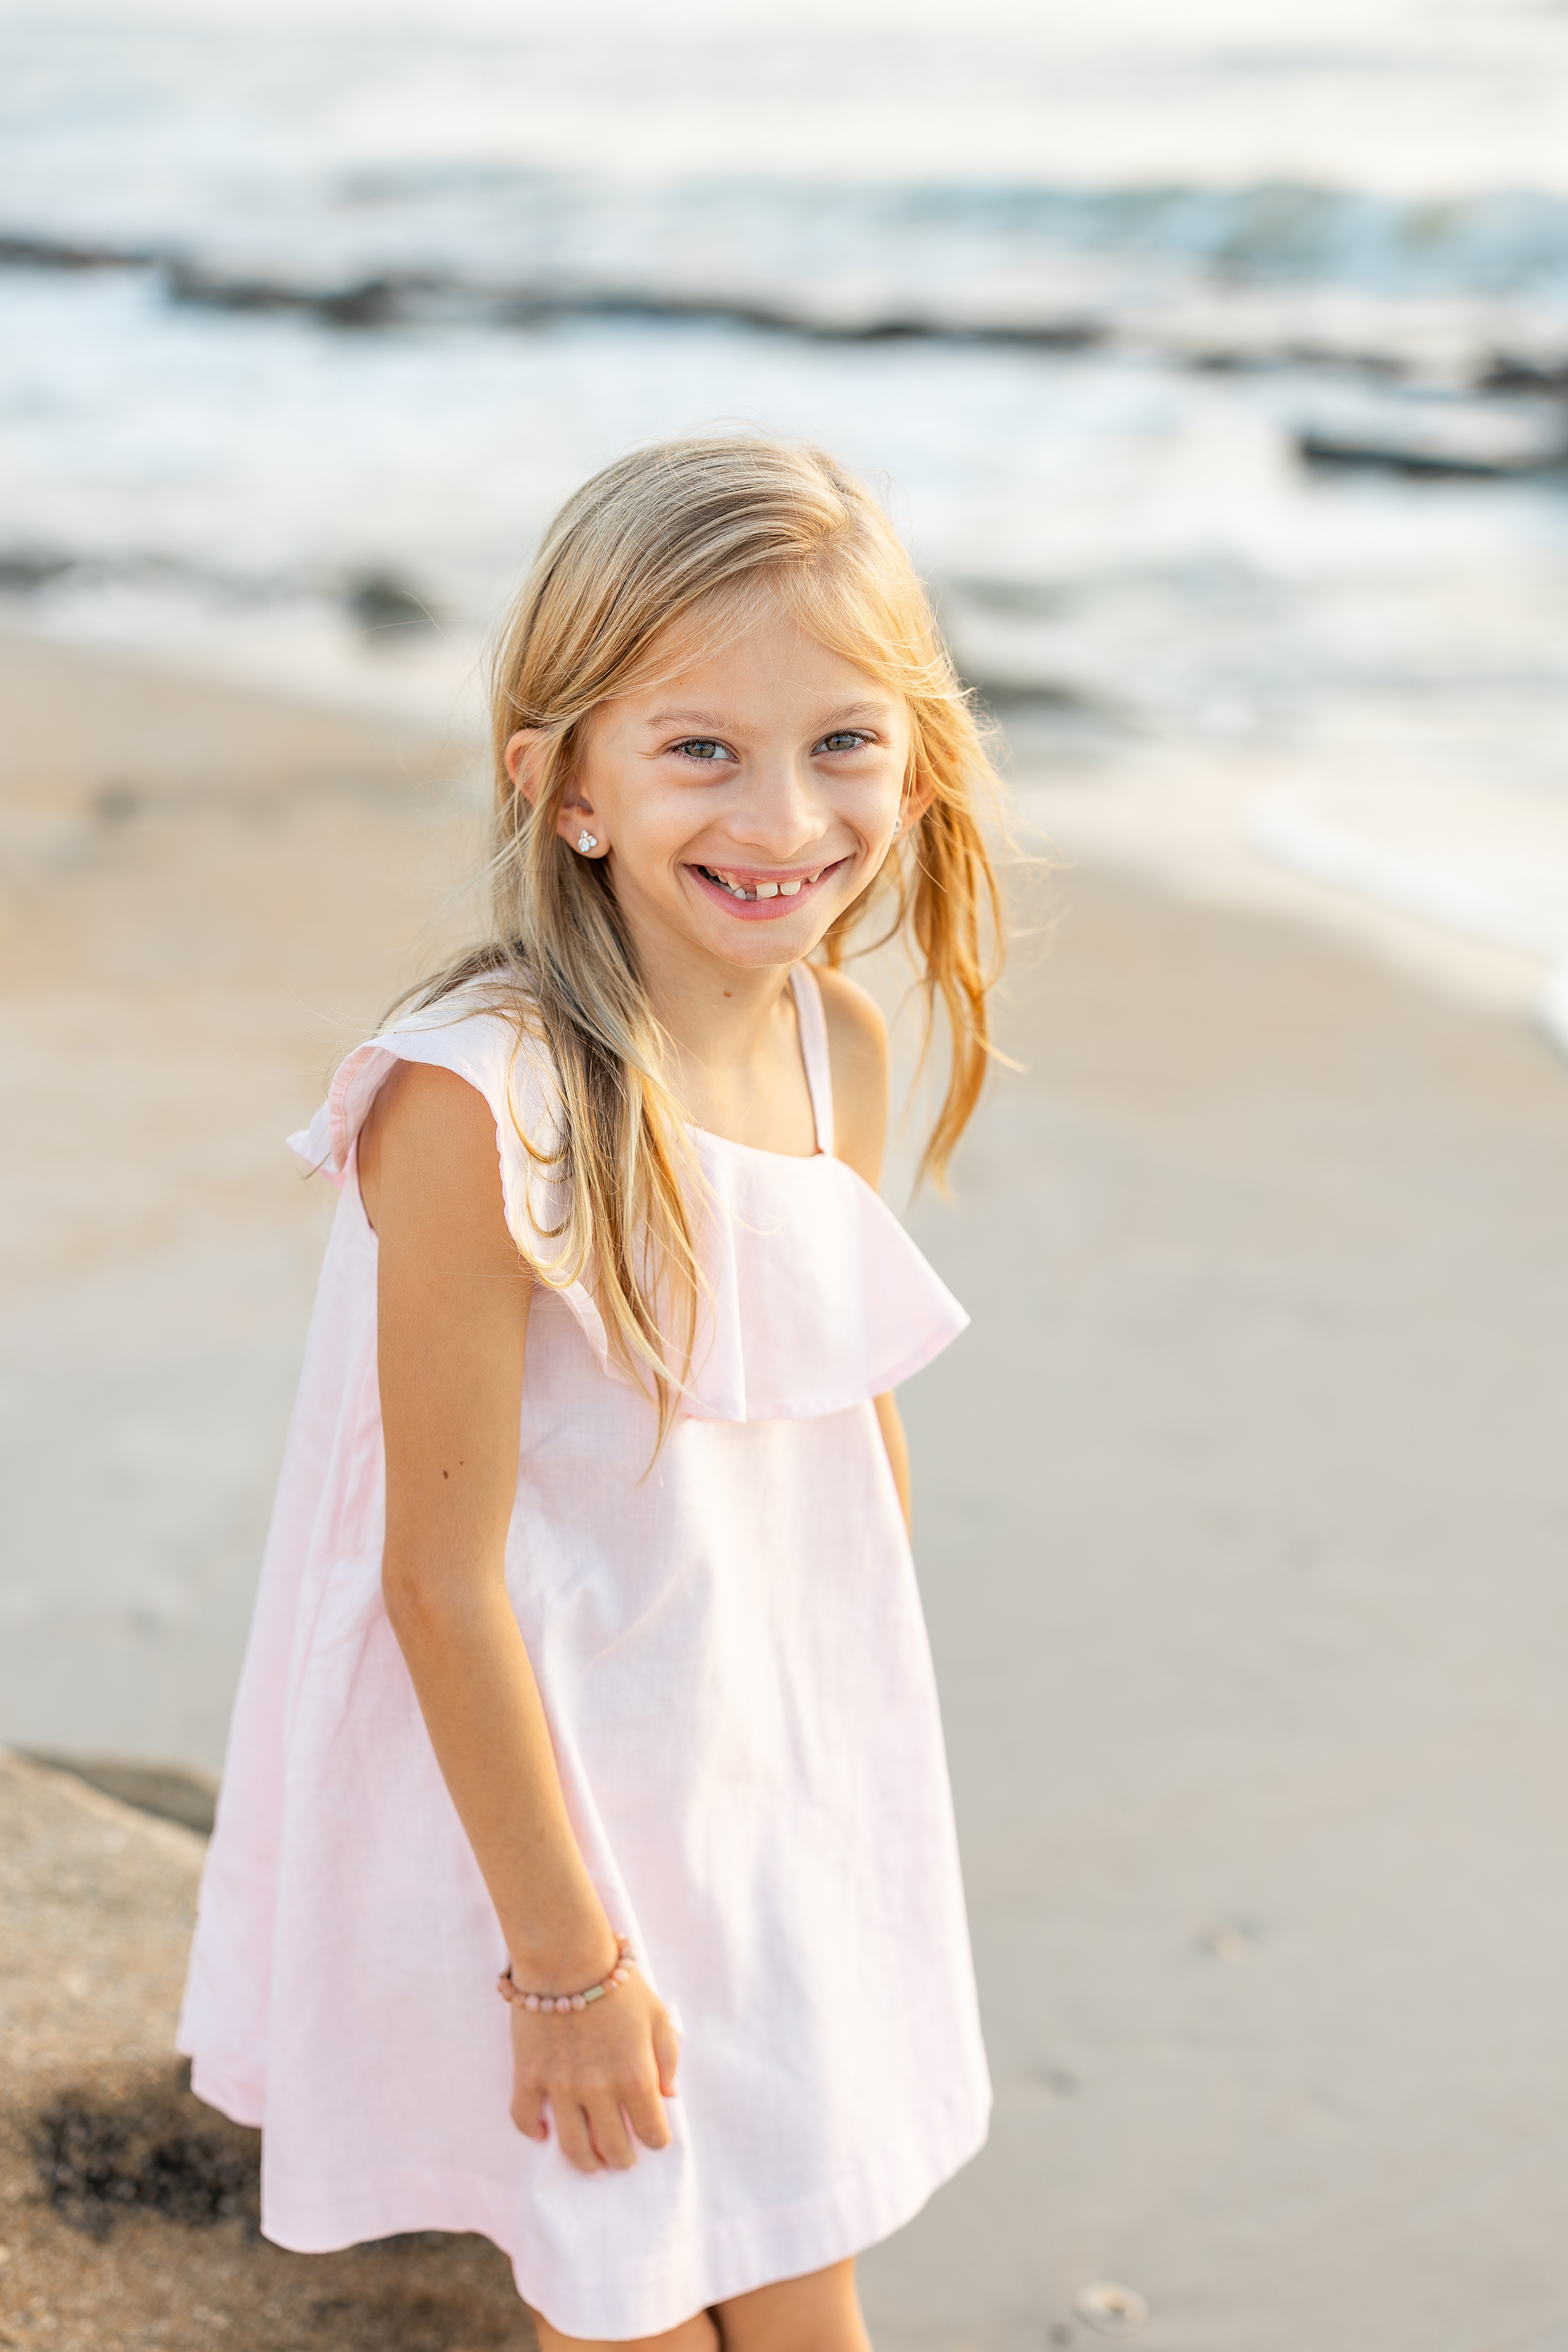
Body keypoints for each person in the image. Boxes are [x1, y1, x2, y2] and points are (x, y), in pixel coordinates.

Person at [180, 436, 1005, 2350]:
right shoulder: (480, 1098)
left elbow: (835, 1424)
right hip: (546, 1810)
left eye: (844, 743)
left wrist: (842, 1779)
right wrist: (563, 1961)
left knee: (800, 2266)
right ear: (560, 782)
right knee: (621, 2282)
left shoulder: (837, 1042)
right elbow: (439, 1576)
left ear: (917, 749)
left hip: (755, 1767)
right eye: (699, 747)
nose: (785, 815)